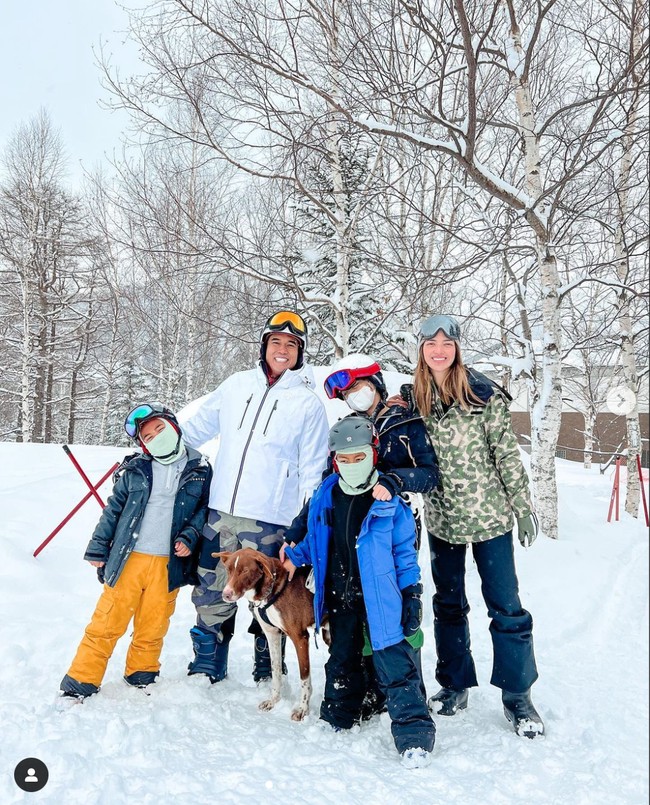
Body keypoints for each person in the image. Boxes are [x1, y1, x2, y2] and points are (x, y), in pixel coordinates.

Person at [408, 313, 544, 738]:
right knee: (448, 606)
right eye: (432, 343)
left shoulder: (483, 395)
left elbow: (506, 455)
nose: (440, 350)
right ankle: (453, 685)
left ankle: (518, 696)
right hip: (443, 520)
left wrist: (523, 507)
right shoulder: (414, 399)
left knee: (506, 607)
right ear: (422, 349)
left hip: (491, 519)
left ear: (458, 349)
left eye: (448, 343)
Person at [179, 311, 329, 683]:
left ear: (300, 353)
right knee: (213, 584)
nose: (283, 350)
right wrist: (160, 440)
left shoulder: (307, 404)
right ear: (264, 345)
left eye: (291, 345)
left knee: (269, 589)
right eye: (276, 342)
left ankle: (268, 657)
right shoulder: (236, 385)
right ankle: (210, 656)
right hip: (221, 511)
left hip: (271, 516)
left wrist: (303, 526)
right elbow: (196, 428)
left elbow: (313, 470)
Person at [281, 417, 436, 769]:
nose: (351, 465)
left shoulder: (388, 500)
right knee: (342, 659)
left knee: (395, 663)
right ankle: (337, 718)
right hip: (339, 592)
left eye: (359, 456)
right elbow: (318, 537)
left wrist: (412, 593)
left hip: (381, 595)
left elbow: (404, 554)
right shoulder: (326, 493)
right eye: (344, 459)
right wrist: (294, 556)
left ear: (374, 453)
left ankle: (414, 735)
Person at [59, 403, 212, 699]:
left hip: (169, 564)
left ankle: (142, 672)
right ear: (143, 445)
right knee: (107, 620)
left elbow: (203, 510)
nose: (157, 437)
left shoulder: (200, 469)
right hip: (129, 558)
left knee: (154, 622)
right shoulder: (135, 469)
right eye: (149, 437)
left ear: (175, 427)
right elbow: (113, 511)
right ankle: (82, 678)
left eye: (160, 429)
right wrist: (98, 549)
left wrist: (191, 535)